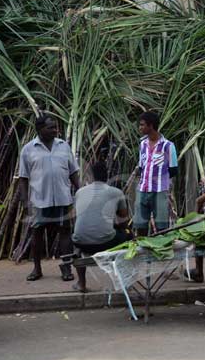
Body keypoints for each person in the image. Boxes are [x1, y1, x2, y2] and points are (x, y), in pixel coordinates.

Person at [19, 114, 80, 281]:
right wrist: (25, 203)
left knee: (65, 234)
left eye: (55, 127)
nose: (55, 130)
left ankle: (66, 270)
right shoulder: (28, 149)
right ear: (40, 130)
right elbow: (23, 178)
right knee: (37, 234)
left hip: (62, 198)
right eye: (51, 127)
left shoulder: (63, 146)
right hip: (39, 200)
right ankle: (37, 269)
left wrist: (80, 191)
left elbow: (73, 172)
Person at [72, 162, 130, 292]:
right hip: (105, 242)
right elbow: (123, 221)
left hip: (80, 242)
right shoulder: (116, 192)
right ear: (107, 176)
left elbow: (81, 218)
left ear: (90, 177)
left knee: (78, 237)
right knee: (127, 236)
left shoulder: (79, 192)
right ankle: (124, 281)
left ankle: (81, 283)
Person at [134, 111, 178, 237]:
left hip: (160, 191)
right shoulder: (142, 144)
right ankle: (141, 249)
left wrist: (159, 180)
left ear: (151, 126)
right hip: (143, 189)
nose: (140, 128)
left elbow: (173, 170)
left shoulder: (168, 146)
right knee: (140, 225)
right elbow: (142, 167)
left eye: (142, 125)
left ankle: (161, 250)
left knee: (161, 227)